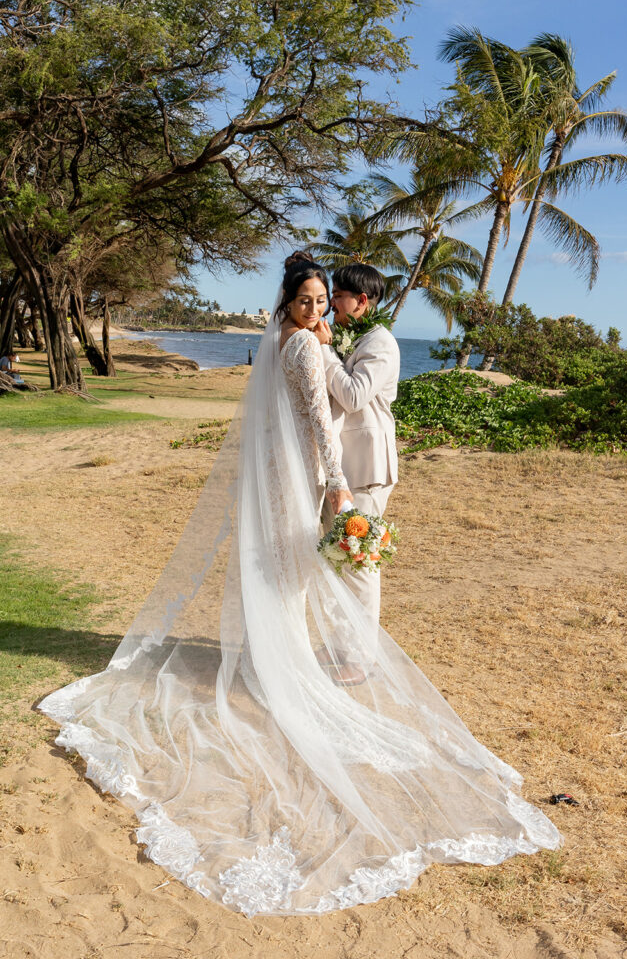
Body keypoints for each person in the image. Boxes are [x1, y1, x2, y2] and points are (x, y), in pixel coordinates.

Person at [38, 251, 561, 917]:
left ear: (349, 302)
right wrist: (334, 482)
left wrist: (332, 459)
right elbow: (316, 417)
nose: (321, 307)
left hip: (299, 476)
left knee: (290, 569)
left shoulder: (304, 341)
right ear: (290, 300)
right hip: (307, 477)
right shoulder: (308, 346)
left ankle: (299, 655)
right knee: (294, 570)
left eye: (327, 299)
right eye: (313, 298)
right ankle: (286, 663)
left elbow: (327, 407)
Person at [315, 264, 400, 685]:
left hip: (366, 469)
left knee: (360, 563)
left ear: (362, 301)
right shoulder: (355, 336)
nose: (332, 303)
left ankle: (361, 657)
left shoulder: (380, 343)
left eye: (339, 296)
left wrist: (327, 351)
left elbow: (352, 395)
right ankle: (339, 645)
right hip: (340, 469)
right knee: (336, 560)